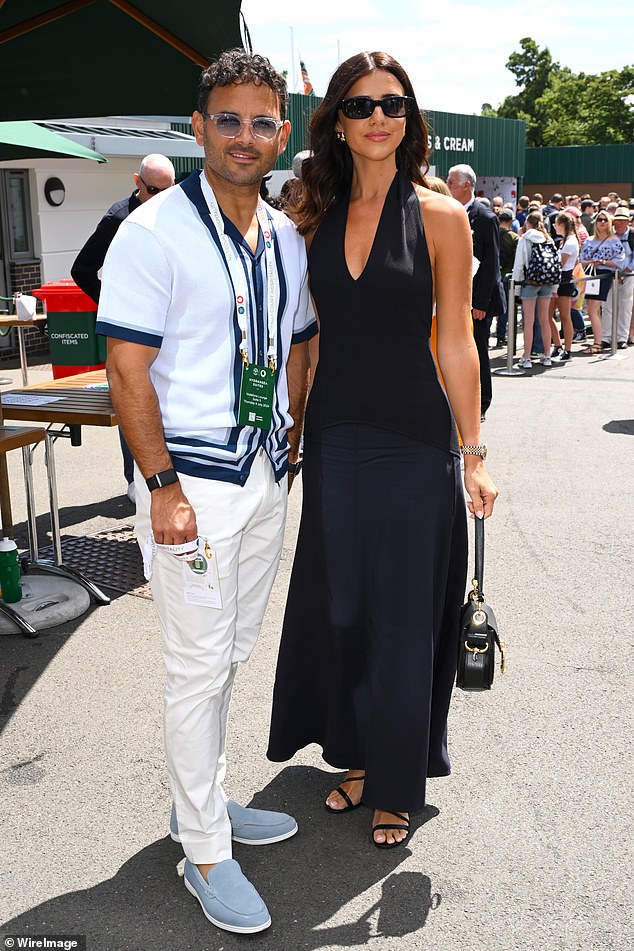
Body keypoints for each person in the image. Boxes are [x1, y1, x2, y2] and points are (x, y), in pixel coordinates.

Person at [96, 50, 317, 934]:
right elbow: (125, 372)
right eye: (228, 119)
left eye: (262, 121)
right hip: (189, 485)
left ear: (281, 135)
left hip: (266, 478)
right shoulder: (154, 232)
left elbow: (298, 343)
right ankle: (204, 851)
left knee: (228, 655)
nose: (245, 136)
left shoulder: (286, 234)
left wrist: (302, 423)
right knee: (196, 668)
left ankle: (206, 805)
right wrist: (162, 488)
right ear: (198, 128)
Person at [267, 50, 498, 851]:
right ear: (335, 119)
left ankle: (396, 780)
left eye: (393, 105)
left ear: (411, 119)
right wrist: (294, 421)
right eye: (361, 106)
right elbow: (310, 337)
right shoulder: (312, 214)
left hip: (411, 437)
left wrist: (473, 450)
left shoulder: (441, 215)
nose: (378, 119)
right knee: (344, 610)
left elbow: (458, 343)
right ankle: (358, 754)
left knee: (402, 615)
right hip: (334, 434)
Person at [71, 154, 176, 503]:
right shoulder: (118, 218)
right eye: (152, 190)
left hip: (167, 320)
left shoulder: (175, 211)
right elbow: (82, 269)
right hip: (132, 325)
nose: (159, 196)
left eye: (167, 190)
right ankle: (135, 477)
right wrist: (113, 304)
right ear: (137, 183)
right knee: (132, 392)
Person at [447, 164, 505, 421]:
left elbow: (491, 263)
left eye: (451, 182)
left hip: (479, 301)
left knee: (478, 350)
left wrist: (480, 302)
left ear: (466, 185)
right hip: (455, 297)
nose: (448, 186)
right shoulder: (449, 212)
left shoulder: (484, 217)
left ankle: (481, 403)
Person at [512, 210, 556, 369]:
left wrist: (516, 288)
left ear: (527, 223)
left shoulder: (525, 238)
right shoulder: (548, 239)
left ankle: (527, 357)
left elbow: (519, 264)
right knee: (545, 320)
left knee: (528, 321)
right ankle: (547, 355)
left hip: (530, 282)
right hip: (547, 282)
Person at [578, 211, 625, 354]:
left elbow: (620, 261)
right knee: (592, 310)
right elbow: (581, 258)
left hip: (604, 275)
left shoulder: (614, 240)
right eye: (599, 219)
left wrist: (603, 262)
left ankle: (598, 343)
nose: (602, 222)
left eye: (605, 220)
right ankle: (598, 342)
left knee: (594, 309)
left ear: (609, 223)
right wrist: (590, 262)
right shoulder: (589, 240)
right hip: (590, 274)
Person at [600, 206, 634, 349]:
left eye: (622, 221)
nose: (619, 224)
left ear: (628, 222)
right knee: (607, 306)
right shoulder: (609, 235)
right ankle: (606, 337)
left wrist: (628, 268)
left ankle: (622, 337)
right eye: (617, 221)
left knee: (625, 305)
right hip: (611, 274)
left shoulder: (632, 235)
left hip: (628, 274)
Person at [549, 212, 580, 361]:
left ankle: (567, 350)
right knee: (548, 316)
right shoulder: (565, 240)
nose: (555, 227)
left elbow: (560, 263)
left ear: (563, 225)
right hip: (557, 279)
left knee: (565, 316)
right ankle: (557, 345)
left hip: (564, 279)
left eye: (556, 223)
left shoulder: (571, 242)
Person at [496, 208, 519, 346]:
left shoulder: (491, 234)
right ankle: (501, 335)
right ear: (511, 221)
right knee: (505, 308)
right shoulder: (514, 238)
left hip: (493, 274)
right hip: (507, 276)